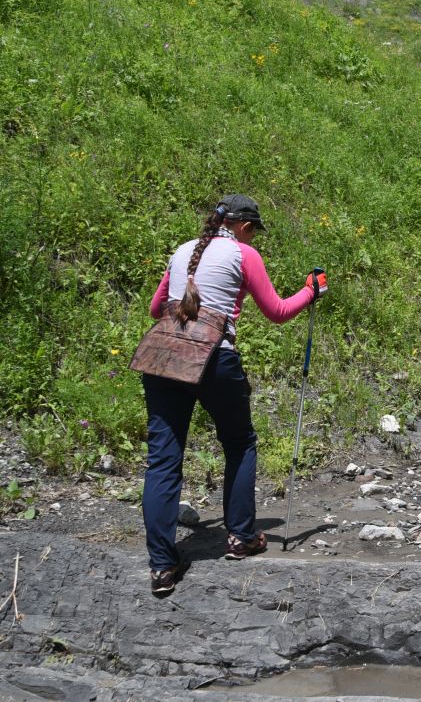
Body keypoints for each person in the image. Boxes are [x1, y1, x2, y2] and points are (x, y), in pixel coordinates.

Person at [140, 194, 327, 596]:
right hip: (214, 359)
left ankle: (162, 565)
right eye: (254, 230)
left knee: (163, 460)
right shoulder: (244, 254)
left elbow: (157, 309)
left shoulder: (182, 251)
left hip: (163, 357)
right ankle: (241, 537)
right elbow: (277, 311)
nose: (254, 236)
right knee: (239, 443)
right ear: (243, 226)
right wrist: (310, 292)